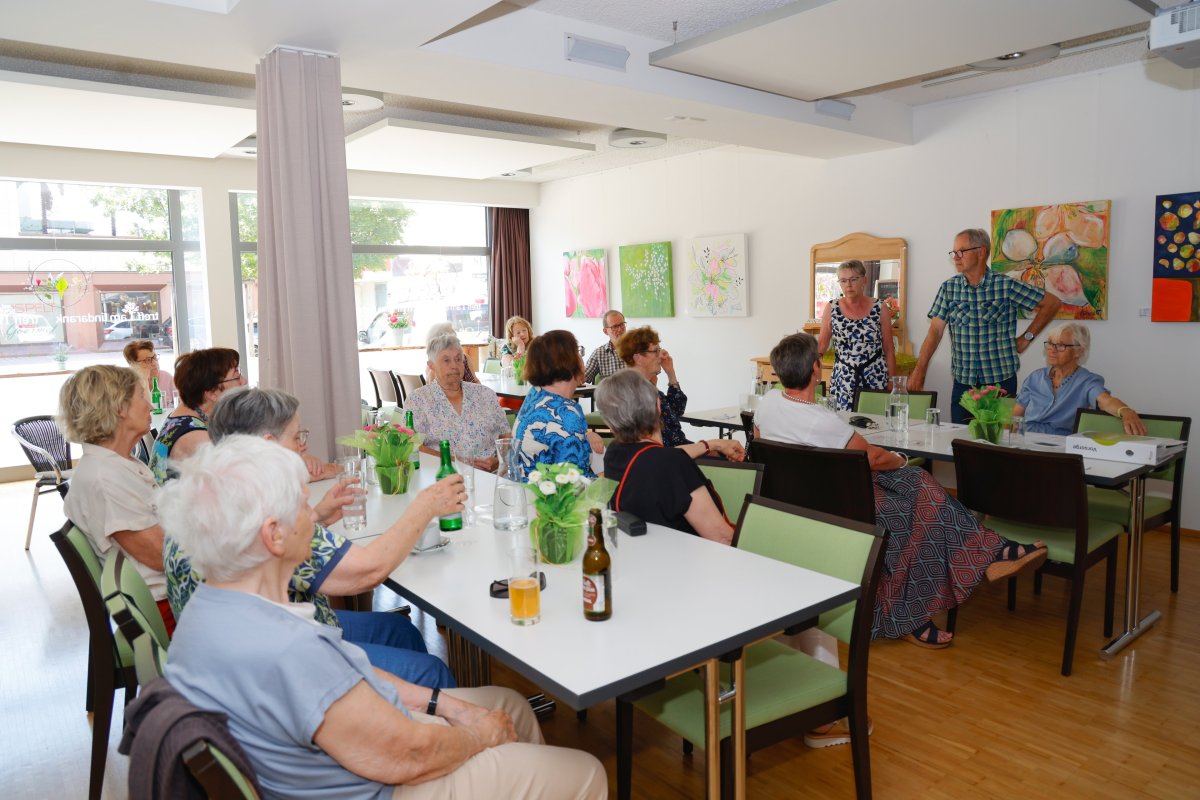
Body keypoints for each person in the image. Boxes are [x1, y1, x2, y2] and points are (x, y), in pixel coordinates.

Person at [160, 436, 607, 800]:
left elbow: (344, 680)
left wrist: (446, 705)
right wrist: (478, 737)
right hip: (381, 786)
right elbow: (410, 755)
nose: (313, 517)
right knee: (585, 771)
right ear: (274, 536)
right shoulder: (287, 649)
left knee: (509, 704)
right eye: (301, 506)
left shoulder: (213, 610)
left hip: (344, 763)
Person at [756, 333, 1048, 649]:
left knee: (919, 483)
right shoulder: (822, 421)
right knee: (916, 511)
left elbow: (761, 443)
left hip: (804, 497)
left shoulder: (768, 403)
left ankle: (989, 553)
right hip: (834, 503)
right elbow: (874, 458)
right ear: (816, 368)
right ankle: (929, 602)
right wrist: (901, 458)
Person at [165, 387, 464, 688]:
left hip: (235, 651)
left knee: (402, 631)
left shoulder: (207, 495)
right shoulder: (266, 509)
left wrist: (316, 515)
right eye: (297, 437)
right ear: (268, 445)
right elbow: (368, 571)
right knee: (432, 671)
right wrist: (426, 506)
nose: (304, 446)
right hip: (275, 669)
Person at [58, 365, 175, 634]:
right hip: (163, 609)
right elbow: (162, 556)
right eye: (142, 396)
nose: (150, 405)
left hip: (168, 596)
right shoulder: (106, 478)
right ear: (120, 407)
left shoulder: (119, 464)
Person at [909, 228, 1062, 423]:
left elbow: (1052, 303)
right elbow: (935, 332)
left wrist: (1027, 338)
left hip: (1000, 383)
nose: (956, 257)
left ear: (981, 252)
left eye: (961, 251)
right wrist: (919, 370)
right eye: (954, 252)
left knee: (998, 440)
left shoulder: (1005, 286)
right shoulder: (949, 289)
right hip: (964, 384)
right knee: (961, 439)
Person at [595, 370, 745, 544]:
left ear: (608, 423)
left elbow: (657, 458)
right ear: (658, 406)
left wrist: (711, 444)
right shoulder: (671, 463)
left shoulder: (614, 453)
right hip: (688, 556)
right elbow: (722, 537)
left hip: (642, 553)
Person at [1013, 323, 1146, 436]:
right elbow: (1015, 415)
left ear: (1078, 351)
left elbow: (1105, 401)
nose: (1052, 350)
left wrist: (1125, 411)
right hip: (1027, 440)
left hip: (1060, 445)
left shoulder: (1087, 381)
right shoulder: (1035, 377)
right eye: (1050, 344)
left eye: (1061, 345)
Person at [406, 334, 510, 471]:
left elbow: (506, 435)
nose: (454, 366)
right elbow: (412, 446)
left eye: (458, 359)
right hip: (442, 475)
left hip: (490, 474)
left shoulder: (485, 394)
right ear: (431, 365)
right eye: (446, 360)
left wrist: (500, 460)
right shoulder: (418, 400)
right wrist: (458, 462)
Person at [512, 330, 604, 480]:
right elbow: (577, 483)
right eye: (577, 351)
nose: (581, 357)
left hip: (526, 485)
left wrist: (586, 435)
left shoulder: (536, 393)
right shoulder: (567, 413)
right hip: (549, 493)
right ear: (568, 360)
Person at [148, 347, 244, 483]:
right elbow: (235, 484)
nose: (243, 381)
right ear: (212, 393)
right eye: (237, 375)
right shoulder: (196, 439)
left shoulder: (183, 416)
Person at [818, 259, 895, 410]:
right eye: (843, 280)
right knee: (842, 420)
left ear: (864, 280)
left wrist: (892, 380)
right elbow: (821, 346)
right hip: (843, 378)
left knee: (876, 420)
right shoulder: (832, 307)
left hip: (875, 376)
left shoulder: (880, 307)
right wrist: (810, 371)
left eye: (853, 279)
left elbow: (889, 348)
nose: (848, 285)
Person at [615, 326, 690, 447]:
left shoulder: (647, 386)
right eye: (655, 351)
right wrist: (704, 447)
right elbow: (662, 444)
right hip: (668, 453)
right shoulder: (634, 392)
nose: (660, 356)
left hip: (677, 449)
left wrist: (671, 373)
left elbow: (676, 410)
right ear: (638, 358)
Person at [123, 339, 176, 408]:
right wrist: (144, 380)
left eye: (155, 357)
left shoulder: (166, 377)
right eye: (148, 360)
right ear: (133, 365)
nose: (154, 363)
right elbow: (148, 409)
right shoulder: (128, 385)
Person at [583, 309, 627, 384]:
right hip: (610, 391)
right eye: (615, 326)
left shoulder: (638, 349)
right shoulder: (599, 353)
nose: (620, 329)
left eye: (622, 324)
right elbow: (582, 378)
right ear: (605, 331)